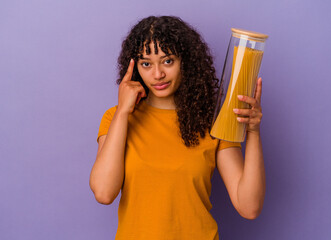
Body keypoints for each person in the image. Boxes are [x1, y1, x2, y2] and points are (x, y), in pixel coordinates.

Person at [89, 15, 265, 240]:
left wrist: (253, 132)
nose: (157, 74)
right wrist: (123, 111)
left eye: (168, 61)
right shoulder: (115, 118)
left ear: (186, 61)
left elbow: (249, 206)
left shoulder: (212, 120)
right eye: (146, 64)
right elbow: (104, 193)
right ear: (134, 68)